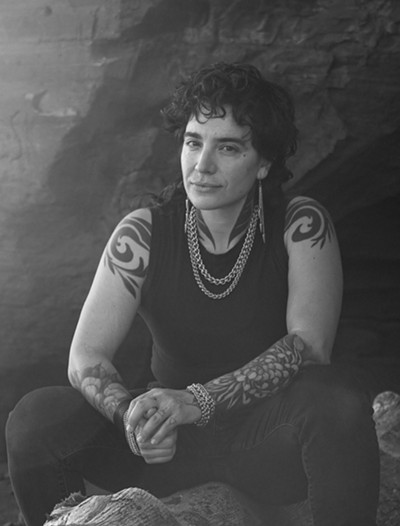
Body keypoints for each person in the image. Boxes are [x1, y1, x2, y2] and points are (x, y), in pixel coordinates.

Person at [6, 62, 380, 526]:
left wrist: (195, 401)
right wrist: (131, 417)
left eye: (228, 147)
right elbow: (85, 355)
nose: (202, 165)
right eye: (193, 142)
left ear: (263, 163)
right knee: (35, 418)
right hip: (168, 451)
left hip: (265, 445)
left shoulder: (300, 223)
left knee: (338, 399)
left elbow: (309, 345)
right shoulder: (143, 233)